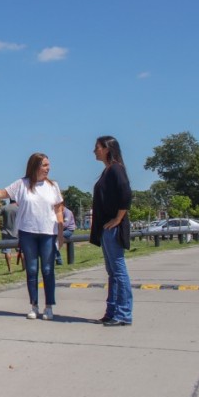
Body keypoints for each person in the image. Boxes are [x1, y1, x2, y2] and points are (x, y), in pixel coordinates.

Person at [0, 153, 64, 320]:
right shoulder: (21, 184)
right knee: (32, 270)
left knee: (48, 270)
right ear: (35, 166)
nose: (48, 168)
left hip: (48, 232)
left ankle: (49, 306)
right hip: (28, 232)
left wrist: (60, 234)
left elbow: (58, 210)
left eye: (48, 165)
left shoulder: (53, 186)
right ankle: (34, 305)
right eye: (45, 165)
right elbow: (2, 194)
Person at [90, 136, 133, 327]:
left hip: (113, 228)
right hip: (105, 228)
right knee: (112, 272)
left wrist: (118, 218)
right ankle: (112, 311)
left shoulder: (116, 169)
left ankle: (123, 313)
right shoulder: (107, 171)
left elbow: (126, 194)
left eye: (97, 147)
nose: (94, 151)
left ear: (107, 149)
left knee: (118, 270)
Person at [0, 200, 23, 272]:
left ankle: (10, 269)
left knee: (7, 251)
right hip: (17, 232)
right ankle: (24, 267)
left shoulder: (5, 208)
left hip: (6, 232)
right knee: (21, 251)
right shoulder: (19, 208)